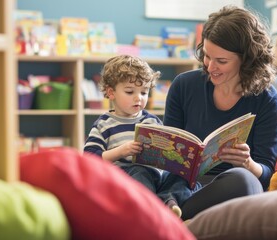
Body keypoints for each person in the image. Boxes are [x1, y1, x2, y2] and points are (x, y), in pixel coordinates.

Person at [163, 5, 277, 220]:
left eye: (222, 61)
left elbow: (266, 175)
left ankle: (173, 216)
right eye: (208, 56)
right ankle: (174, 210)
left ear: (246, 60)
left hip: (231, 186)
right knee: (154, 178)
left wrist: (247, 163)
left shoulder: (266, 98)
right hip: (184, 184)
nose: (210, 67)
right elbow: (169, 157)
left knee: (243, 180)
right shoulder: (183, 86)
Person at [84, 55, 195, 218]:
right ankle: (146, 211)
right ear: (111, 92)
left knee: (185, 179)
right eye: (130, 92)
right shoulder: (103, 125)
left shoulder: (151, 121)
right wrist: (120, 152)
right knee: (139, 171)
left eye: (144, 92)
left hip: (156, 178)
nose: (139, 97)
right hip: (122, 181)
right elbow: (88, 158)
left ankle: (169, 203)